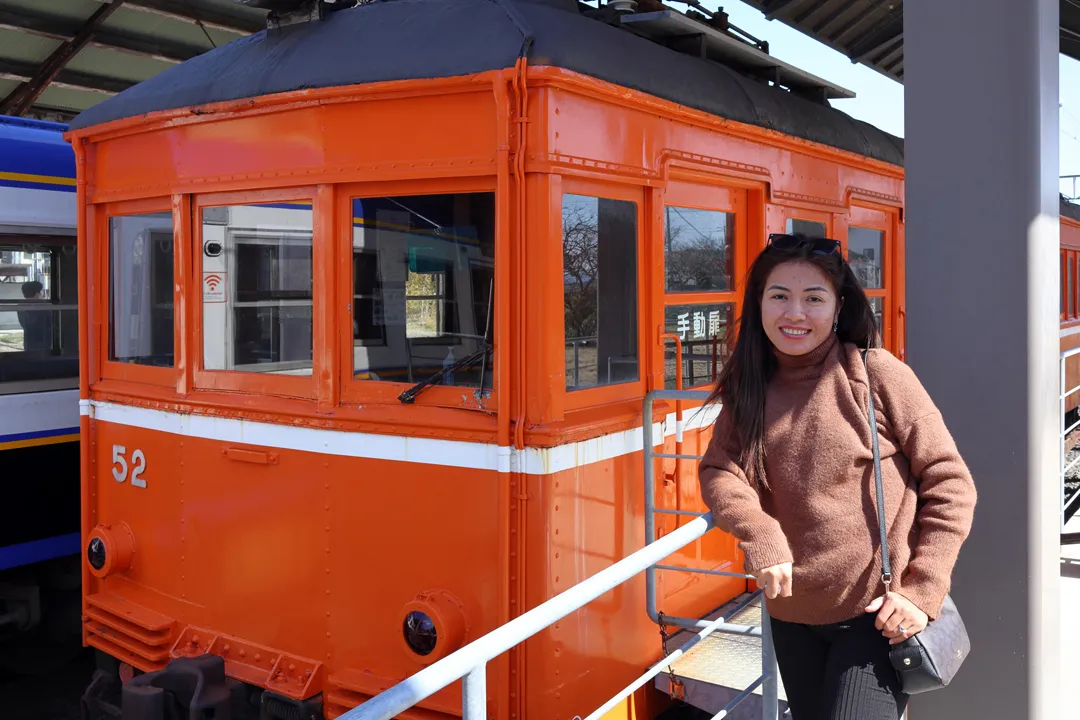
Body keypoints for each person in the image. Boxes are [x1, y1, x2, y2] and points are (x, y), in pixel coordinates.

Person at [697, 233, 977, 720]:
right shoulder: (751, 388)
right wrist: (760, 531)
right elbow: (720, 471)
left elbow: (950, 483)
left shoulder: (876, 374)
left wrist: (922, 590)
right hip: (791, 615)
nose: (795, 314)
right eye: (779, 296)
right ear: (759, 303)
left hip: (876, 616)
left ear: (838, 305)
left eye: (814, 298)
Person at [17, 280, 53, 352]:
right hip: (45, 339)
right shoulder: (44, 305)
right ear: (37, 293)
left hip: (29, 339)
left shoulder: (20, 305)